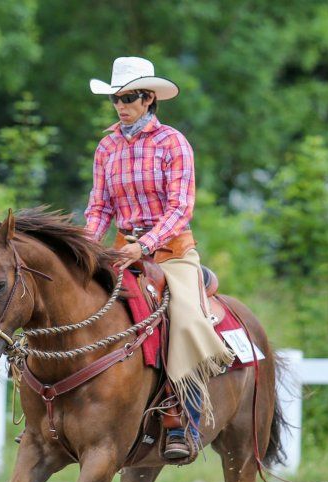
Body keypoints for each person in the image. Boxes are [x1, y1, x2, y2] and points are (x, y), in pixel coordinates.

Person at [84, 56, 235, 460]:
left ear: (149, 99)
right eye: (117, 98)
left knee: (184, 319)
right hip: (120, 252)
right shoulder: (107, 147)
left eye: (130, 97)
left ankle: (184, 417)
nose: (122, 105)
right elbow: (99, 208)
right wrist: (84, 247)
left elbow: (180, 208)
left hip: (170, 253)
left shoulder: (172, 143)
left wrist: (145, 245)